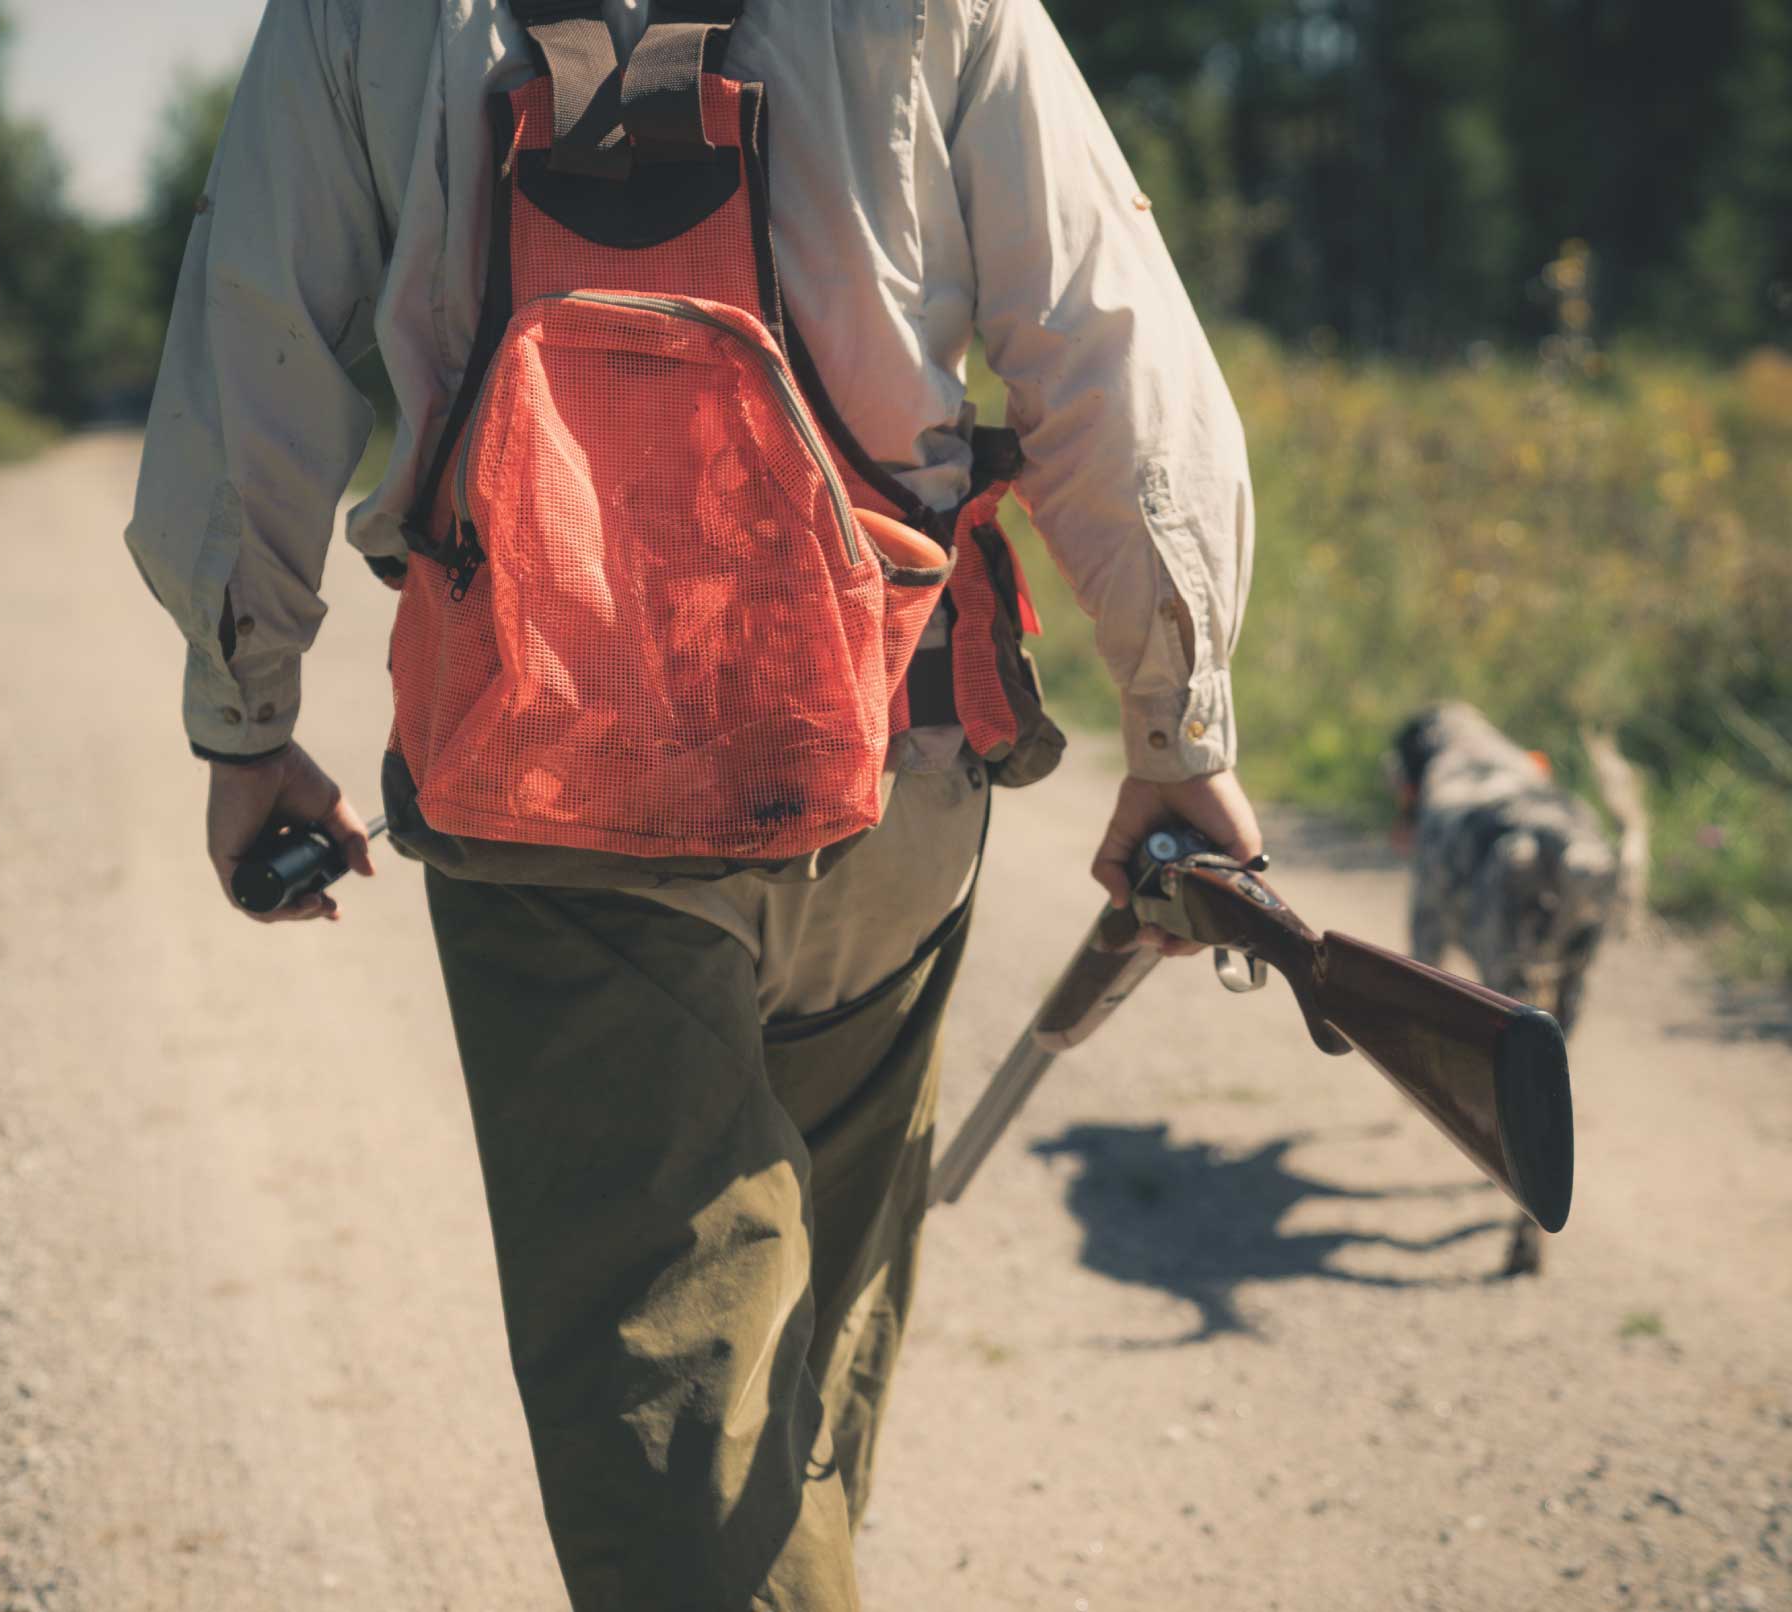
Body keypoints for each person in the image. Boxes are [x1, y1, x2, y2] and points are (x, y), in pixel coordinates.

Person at [127, 0, 1262, 1604]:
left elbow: (256, 344)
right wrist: (1180, 718)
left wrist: (245, 719)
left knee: (674, 1418)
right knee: (798, 1375)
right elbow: (1104, 336)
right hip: (890, 766)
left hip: (546, 781)